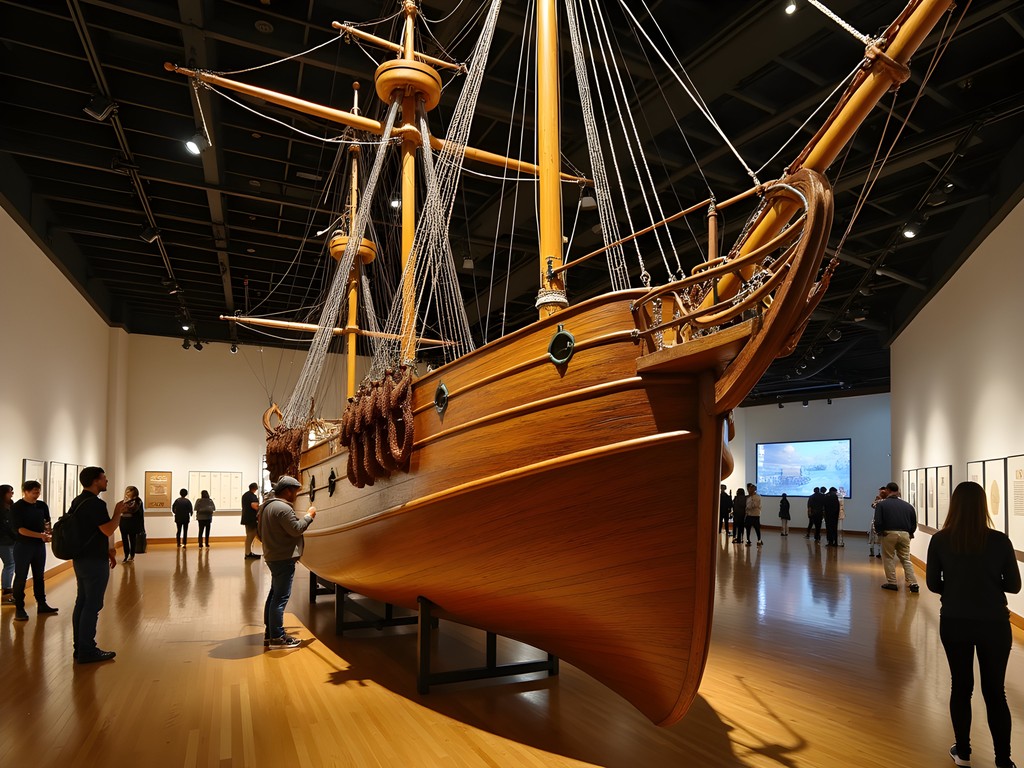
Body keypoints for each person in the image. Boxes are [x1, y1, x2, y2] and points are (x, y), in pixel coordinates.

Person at [926, 481, 1020, 768]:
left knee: (961, 686)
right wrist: (989, 586)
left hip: (955, 621)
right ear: (983, 506)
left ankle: (964, 752)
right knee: (995, 692)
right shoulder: (1000, 540)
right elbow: (1014, 586)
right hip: (994, 622)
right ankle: (1003, 760)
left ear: (954, 505)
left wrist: (956, 590)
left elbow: (932, 583)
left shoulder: (940, 540)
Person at [69, 466, 123, 663]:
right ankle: (87, 649)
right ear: (95, 481)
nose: (106, 481)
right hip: (93, 561)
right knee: (92, 604)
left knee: (82, 602)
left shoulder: (78, 501)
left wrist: (107, 551)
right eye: (104, 478)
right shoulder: (95, 504)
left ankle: (80, 647)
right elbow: (107, 530)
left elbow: (91, 532)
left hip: (82, 558)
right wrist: (117, 513)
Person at [260, 476, 316, 649]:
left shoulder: (267, 507)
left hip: (273, 555)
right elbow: (296, 529)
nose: (296, 495)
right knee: (280, 598)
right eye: (295, 491)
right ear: (287, 491)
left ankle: (270, 633)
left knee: (274, 595)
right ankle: (277, 637)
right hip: (282, 558)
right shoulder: (283, 508)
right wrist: (309, 516)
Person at [11, 480, 58, 620]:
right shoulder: (17, 507)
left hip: (38, 546)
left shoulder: (42, 505)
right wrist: (41, 535)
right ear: (25, 492)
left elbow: (46, 522)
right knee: (21, 577)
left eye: (38, 492)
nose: (37, 495)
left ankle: (42, 604)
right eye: (34, 492)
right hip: (23, 546)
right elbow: (20, 530)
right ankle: (19, 608)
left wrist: (49, 533)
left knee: (39, 576)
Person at [874, 481, 919, 592]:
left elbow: (878, 521)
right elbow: (914, 522)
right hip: (905, 534)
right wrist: (910, 532)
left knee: (888, 558)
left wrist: (880, 532)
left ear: (888, 491)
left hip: (888, 533)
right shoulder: (908, 506)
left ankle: (892, 582)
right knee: (906, 559)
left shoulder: (881, 504)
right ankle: (913, 583)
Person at [116, 485, 144, 563]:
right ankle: (126, 555)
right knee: (124, 540)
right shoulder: (125, 501)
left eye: (129, 491)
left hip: (132, 523)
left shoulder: (138, 501)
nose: (127, 493)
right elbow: (120, 510)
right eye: (127, 491)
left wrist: (124, 509)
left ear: (134, 492)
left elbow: (133, 510)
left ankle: (131, 555)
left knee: (132, 539)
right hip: (123, 522)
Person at [1, 484, 16, 604]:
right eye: (10, 492)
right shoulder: (2, 509)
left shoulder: (11, 505)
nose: (12, 494)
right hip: (4, 541)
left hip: (11, 540)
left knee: (11, 564)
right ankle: (6, 595)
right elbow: (6, 526)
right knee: (10, 565)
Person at [240, 482, 261, 559]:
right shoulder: (252, 496)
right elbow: (254, 505)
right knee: (250, 536)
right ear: (255, 488)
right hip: (251, 519)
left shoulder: (245, 495)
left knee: (249, 535)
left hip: (246, 518)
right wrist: (260, 509)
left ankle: (248, 552)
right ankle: (248, 553)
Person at [868, 486, 887, 558]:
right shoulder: (884, 502)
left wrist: (877, 500)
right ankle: (878, 552)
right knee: (878, 537)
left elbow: (873, 505)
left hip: (877, 521)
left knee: (875, 536)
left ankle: (873, 551)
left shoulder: (880, 502)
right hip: (880, 521)